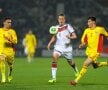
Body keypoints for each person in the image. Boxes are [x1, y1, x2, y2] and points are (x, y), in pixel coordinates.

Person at [70, 16, 108, 85]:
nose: (88, 23)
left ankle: (76, 81)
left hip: (96, 51)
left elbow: (107, 35)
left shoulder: (100, 29)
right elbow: (84, 40)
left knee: (85, 64)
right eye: (88, 21)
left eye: (89, 21)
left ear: (93, 22)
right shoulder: (86, 30)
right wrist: (82, 44)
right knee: (95, 66)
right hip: (89, 51)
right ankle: (106, 63)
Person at [47, 14, 79, 83]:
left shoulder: (68, 26)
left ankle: (75, 69)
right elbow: (54, 37)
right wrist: (50, 43)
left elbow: (75, 36)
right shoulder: (55, 27)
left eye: (62, 19)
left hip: (67, 48)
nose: (61, 20)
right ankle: (53, 78)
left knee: (71, 62)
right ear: (58, 20)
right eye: (60, 19)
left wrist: (70, 37)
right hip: (58, 47)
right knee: (54, 57)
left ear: (64, 20)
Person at [0, 17, 17, 83]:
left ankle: (10, 74)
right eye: (8, 22)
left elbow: (15, 42)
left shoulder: (12, 31)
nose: (10, 24)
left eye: (10, 22)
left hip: (10, 51)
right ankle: (3, 77)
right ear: (4, 23)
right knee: (2, 59)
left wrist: (9, 40)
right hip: (2, 50)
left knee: (10, 65)